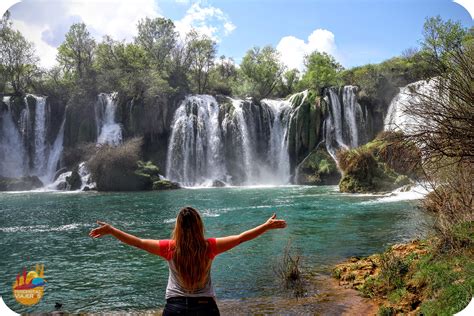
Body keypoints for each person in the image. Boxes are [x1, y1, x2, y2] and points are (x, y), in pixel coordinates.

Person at [88, 206, 287, 315]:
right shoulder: (209, 246)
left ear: (178, 227)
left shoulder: (169, 248)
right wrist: (265, 226)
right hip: (205, 307)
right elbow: (242, 237)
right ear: (199, 225)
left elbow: (138, 242)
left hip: (175, 308)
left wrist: (112, 230)